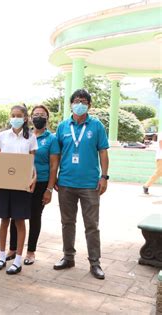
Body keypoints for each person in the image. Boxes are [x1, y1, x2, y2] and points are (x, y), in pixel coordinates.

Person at [54, 89, 109, 280]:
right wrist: (54, 179)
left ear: (89, 105)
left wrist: (105, 177)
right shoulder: (62, 126)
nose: (80, 103)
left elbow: (103, 152)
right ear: (71, 104)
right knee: (67, 223)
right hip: (66, 183)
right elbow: (56, 156)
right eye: (77, 100)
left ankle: (95, 263)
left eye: (84, 101)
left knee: (92, 225)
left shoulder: (97, 126)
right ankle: (68, 257)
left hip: (90, 185)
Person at [7, 105, 60, 266]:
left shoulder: (52, 139)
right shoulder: (25, 135)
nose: (38, 117)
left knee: (35, 216)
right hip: (21, 180)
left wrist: (49, 189)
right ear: (30, 118)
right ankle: (13, 248)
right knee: (15, 216)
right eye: (36, 114)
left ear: (47, 118)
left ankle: (30, 251)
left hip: (41, 182)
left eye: (42, 115)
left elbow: (53, 166)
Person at [0, 105, 38, 275]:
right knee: (4, 220)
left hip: (21, 185)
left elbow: (32, 163)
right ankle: (2, 256)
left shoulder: (31, 138)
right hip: (4, 184)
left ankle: (18, 259)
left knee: (19, 221)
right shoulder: (2, 136)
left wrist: (34, 177)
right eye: (13, 115)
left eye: (19, 115)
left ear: (25, 118)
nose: (15, 118)